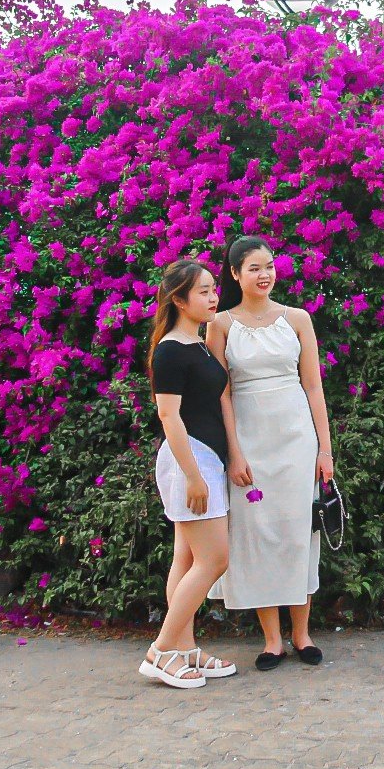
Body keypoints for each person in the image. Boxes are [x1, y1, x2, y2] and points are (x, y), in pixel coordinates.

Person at [208, 237, 334, 670]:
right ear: (235, 274)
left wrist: (325, 450)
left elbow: (314, 386)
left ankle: (303, 634)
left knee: (299, 532)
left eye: (270, 266)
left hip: (297, 440)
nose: (265, 275)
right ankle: (272, 640)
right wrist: (234, 454)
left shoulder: (297, 318)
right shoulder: (220, 324)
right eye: (255, 268)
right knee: (257, 534)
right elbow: (220, 395)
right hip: (249, 441)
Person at [141, 258, 246, 690]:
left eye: (212, 290)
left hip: (207, 459)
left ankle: (185, 648)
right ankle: (162, 650)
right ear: (178, 300)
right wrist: (193, 476)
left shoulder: (197, 344)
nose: (212, 297)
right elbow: (169, 416)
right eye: (202, 292)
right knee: (214, 559)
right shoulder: (169, 350)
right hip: (190, 461)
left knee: (185, 559)